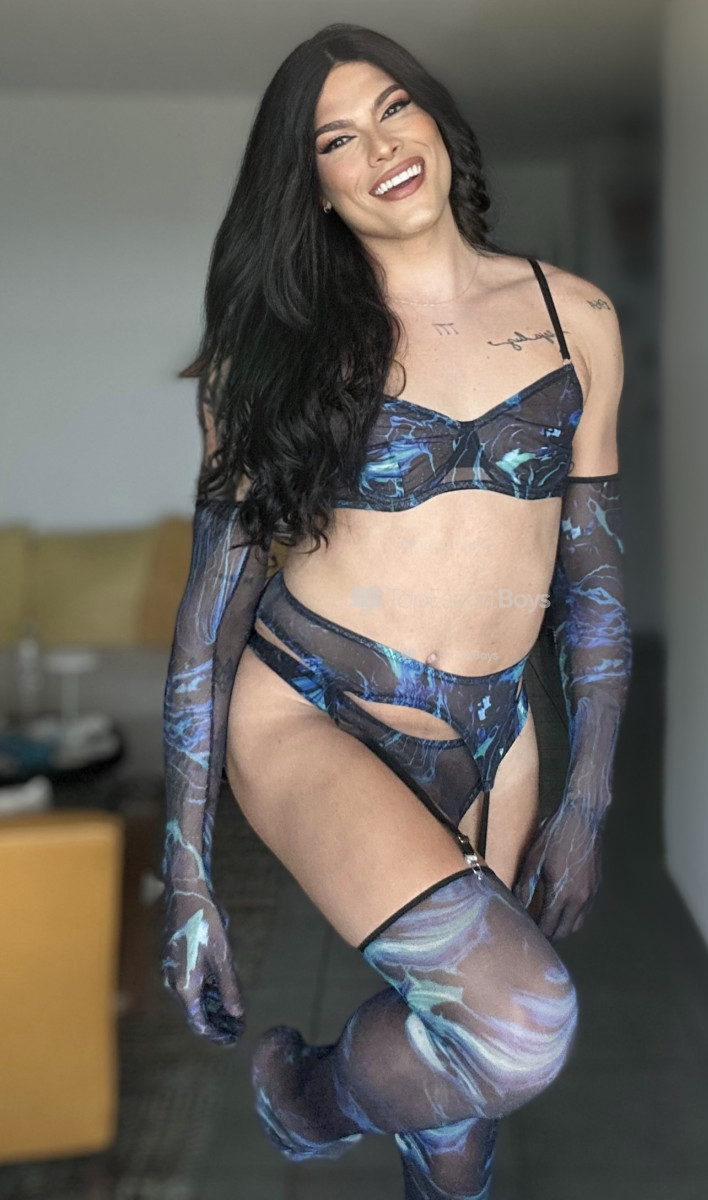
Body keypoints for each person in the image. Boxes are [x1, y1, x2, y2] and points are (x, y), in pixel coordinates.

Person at [161, 22, 631, 1200]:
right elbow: (212, 602)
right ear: (312, 185)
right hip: (312, 710)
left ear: (435, 120)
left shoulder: (576, 314)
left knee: (460, 1127)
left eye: (392, 110)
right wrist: (188, 871)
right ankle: (310, 1097)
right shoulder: (271, 351)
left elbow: (594, 583)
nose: (378, 149)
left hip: (495, 734)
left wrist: (587, 794)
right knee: (517, 1025)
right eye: (336, 140)